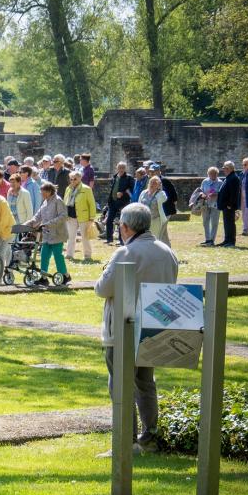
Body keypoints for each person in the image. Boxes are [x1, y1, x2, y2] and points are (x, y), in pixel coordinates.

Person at [95, 203, 178, 455]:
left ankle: (126, 442)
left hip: (123, 327)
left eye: (120, 225)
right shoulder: (167, 251)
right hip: (155, 325)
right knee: (145, 383)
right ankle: (149, 438)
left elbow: (102, 289)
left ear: (127, 227)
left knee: (120, 384)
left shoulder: (125, 253)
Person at [30, 183, 70, 283]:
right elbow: (37, 216)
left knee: (58, 256)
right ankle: (43, 278)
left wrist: (48, 224)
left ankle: (65, 276)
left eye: (43, 193)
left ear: (49, 192)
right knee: (44, 255)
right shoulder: (45, 201)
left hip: (57, 233)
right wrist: (27, 224)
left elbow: (63, 216)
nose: (41, 194)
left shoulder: (58, 200)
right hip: (47, 234)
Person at [64, 170, 97, 261]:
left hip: (84, 216)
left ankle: (87, 255)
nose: (73, 181)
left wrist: (92, 218)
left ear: (80, 179)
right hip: (70, 216)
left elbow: (92, 204)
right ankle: (69, 254)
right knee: (71, 237)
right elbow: (65, 202)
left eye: (75, 179)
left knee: (85, 237)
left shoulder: (86, 189)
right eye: (71, 179)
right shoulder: (68, 188)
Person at [106, 161, 134, 243]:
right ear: (117, 168)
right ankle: (109, 239)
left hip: (123, 203)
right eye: (120, 167)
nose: (121, 169)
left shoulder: (129, 178)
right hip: (112, 202)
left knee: (122, 222)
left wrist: (123, 193)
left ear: (125, 169)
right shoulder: (114, 177)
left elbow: (131, 190)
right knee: (109, 221)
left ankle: (121, 240)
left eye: (123, 168)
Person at [194, 166, 222, 246]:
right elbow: (201, 191)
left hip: (216, 204)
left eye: (214, 174)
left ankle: (212, 240)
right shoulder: (205, 181)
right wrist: (202, 194)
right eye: (211, 174)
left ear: (217, 174)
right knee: (205, 221)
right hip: (205, 203)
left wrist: (215, 194)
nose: (213, 175)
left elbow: (222, 193)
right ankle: (207, 239)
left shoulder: (220, 182)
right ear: (208, 174)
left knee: (214, 222)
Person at [217, 160, 243, 247]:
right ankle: (227, 240)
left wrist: (230, 204)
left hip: (229, 206)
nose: (223, 170)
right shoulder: (229, 177)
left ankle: (231, 241)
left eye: (225, 168)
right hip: (225, 205)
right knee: (227, 223)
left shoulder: (234, 178)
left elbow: (234, 193)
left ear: (229, 169)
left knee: (230, 223)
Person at [140, 176, 169, 245]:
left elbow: (165, 198)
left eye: (155, 183)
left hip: (155, 219)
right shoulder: (143, 193)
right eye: (151, 182)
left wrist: (159, 190)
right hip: (144, 219)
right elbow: (139, 204)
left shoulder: (161, 194)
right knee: (143, 237)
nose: (152, 184)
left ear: (158, 185)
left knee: (154, 237)